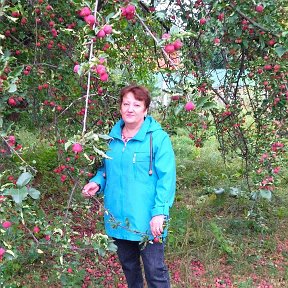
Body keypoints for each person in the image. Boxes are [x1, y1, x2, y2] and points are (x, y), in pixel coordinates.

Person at [82, 84, 176, 288]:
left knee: (155, 271)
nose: (130, 109)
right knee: (129, 268)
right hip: (119, 218)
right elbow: (105, 170)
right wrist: (96, 183)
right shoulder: (111, 139)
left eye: (136, 104)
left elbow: (166, 180)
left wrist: (160, 213)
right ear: (120, 107)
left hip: (149, 221)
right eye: (126, 104)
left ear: (145, 109)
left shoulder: (158, 139)